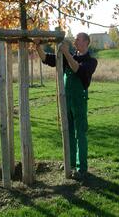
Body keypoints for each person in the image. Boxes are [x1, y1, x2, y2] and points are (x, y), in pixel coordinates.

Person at [34, 32, 97, 179]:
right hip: (66, 99)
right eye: (75, 39)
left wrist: (66, 53)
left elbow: (77, 69)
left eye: (79, 39)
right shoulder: (68, 56)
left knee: (80, 133)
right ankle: (70, 164)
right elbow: (46, 58)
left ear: (86, 42)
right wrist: (38, 46)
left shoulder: (91, 61)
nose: (75, 41)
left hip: (79, 100)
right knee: (67, 130)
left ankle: (82, 168)